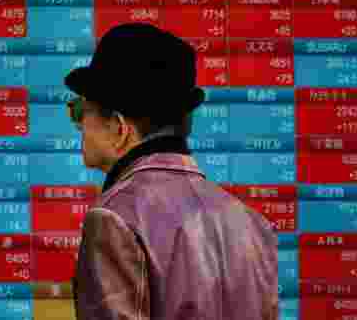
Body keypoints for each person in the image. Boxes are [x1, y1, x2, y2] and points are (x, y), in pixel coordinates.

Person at [65, 23, 279, 320]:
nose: (78, 125)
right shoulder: (253, 225)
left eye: (79, 111)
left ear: (118, 126)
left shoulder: (114, 218)